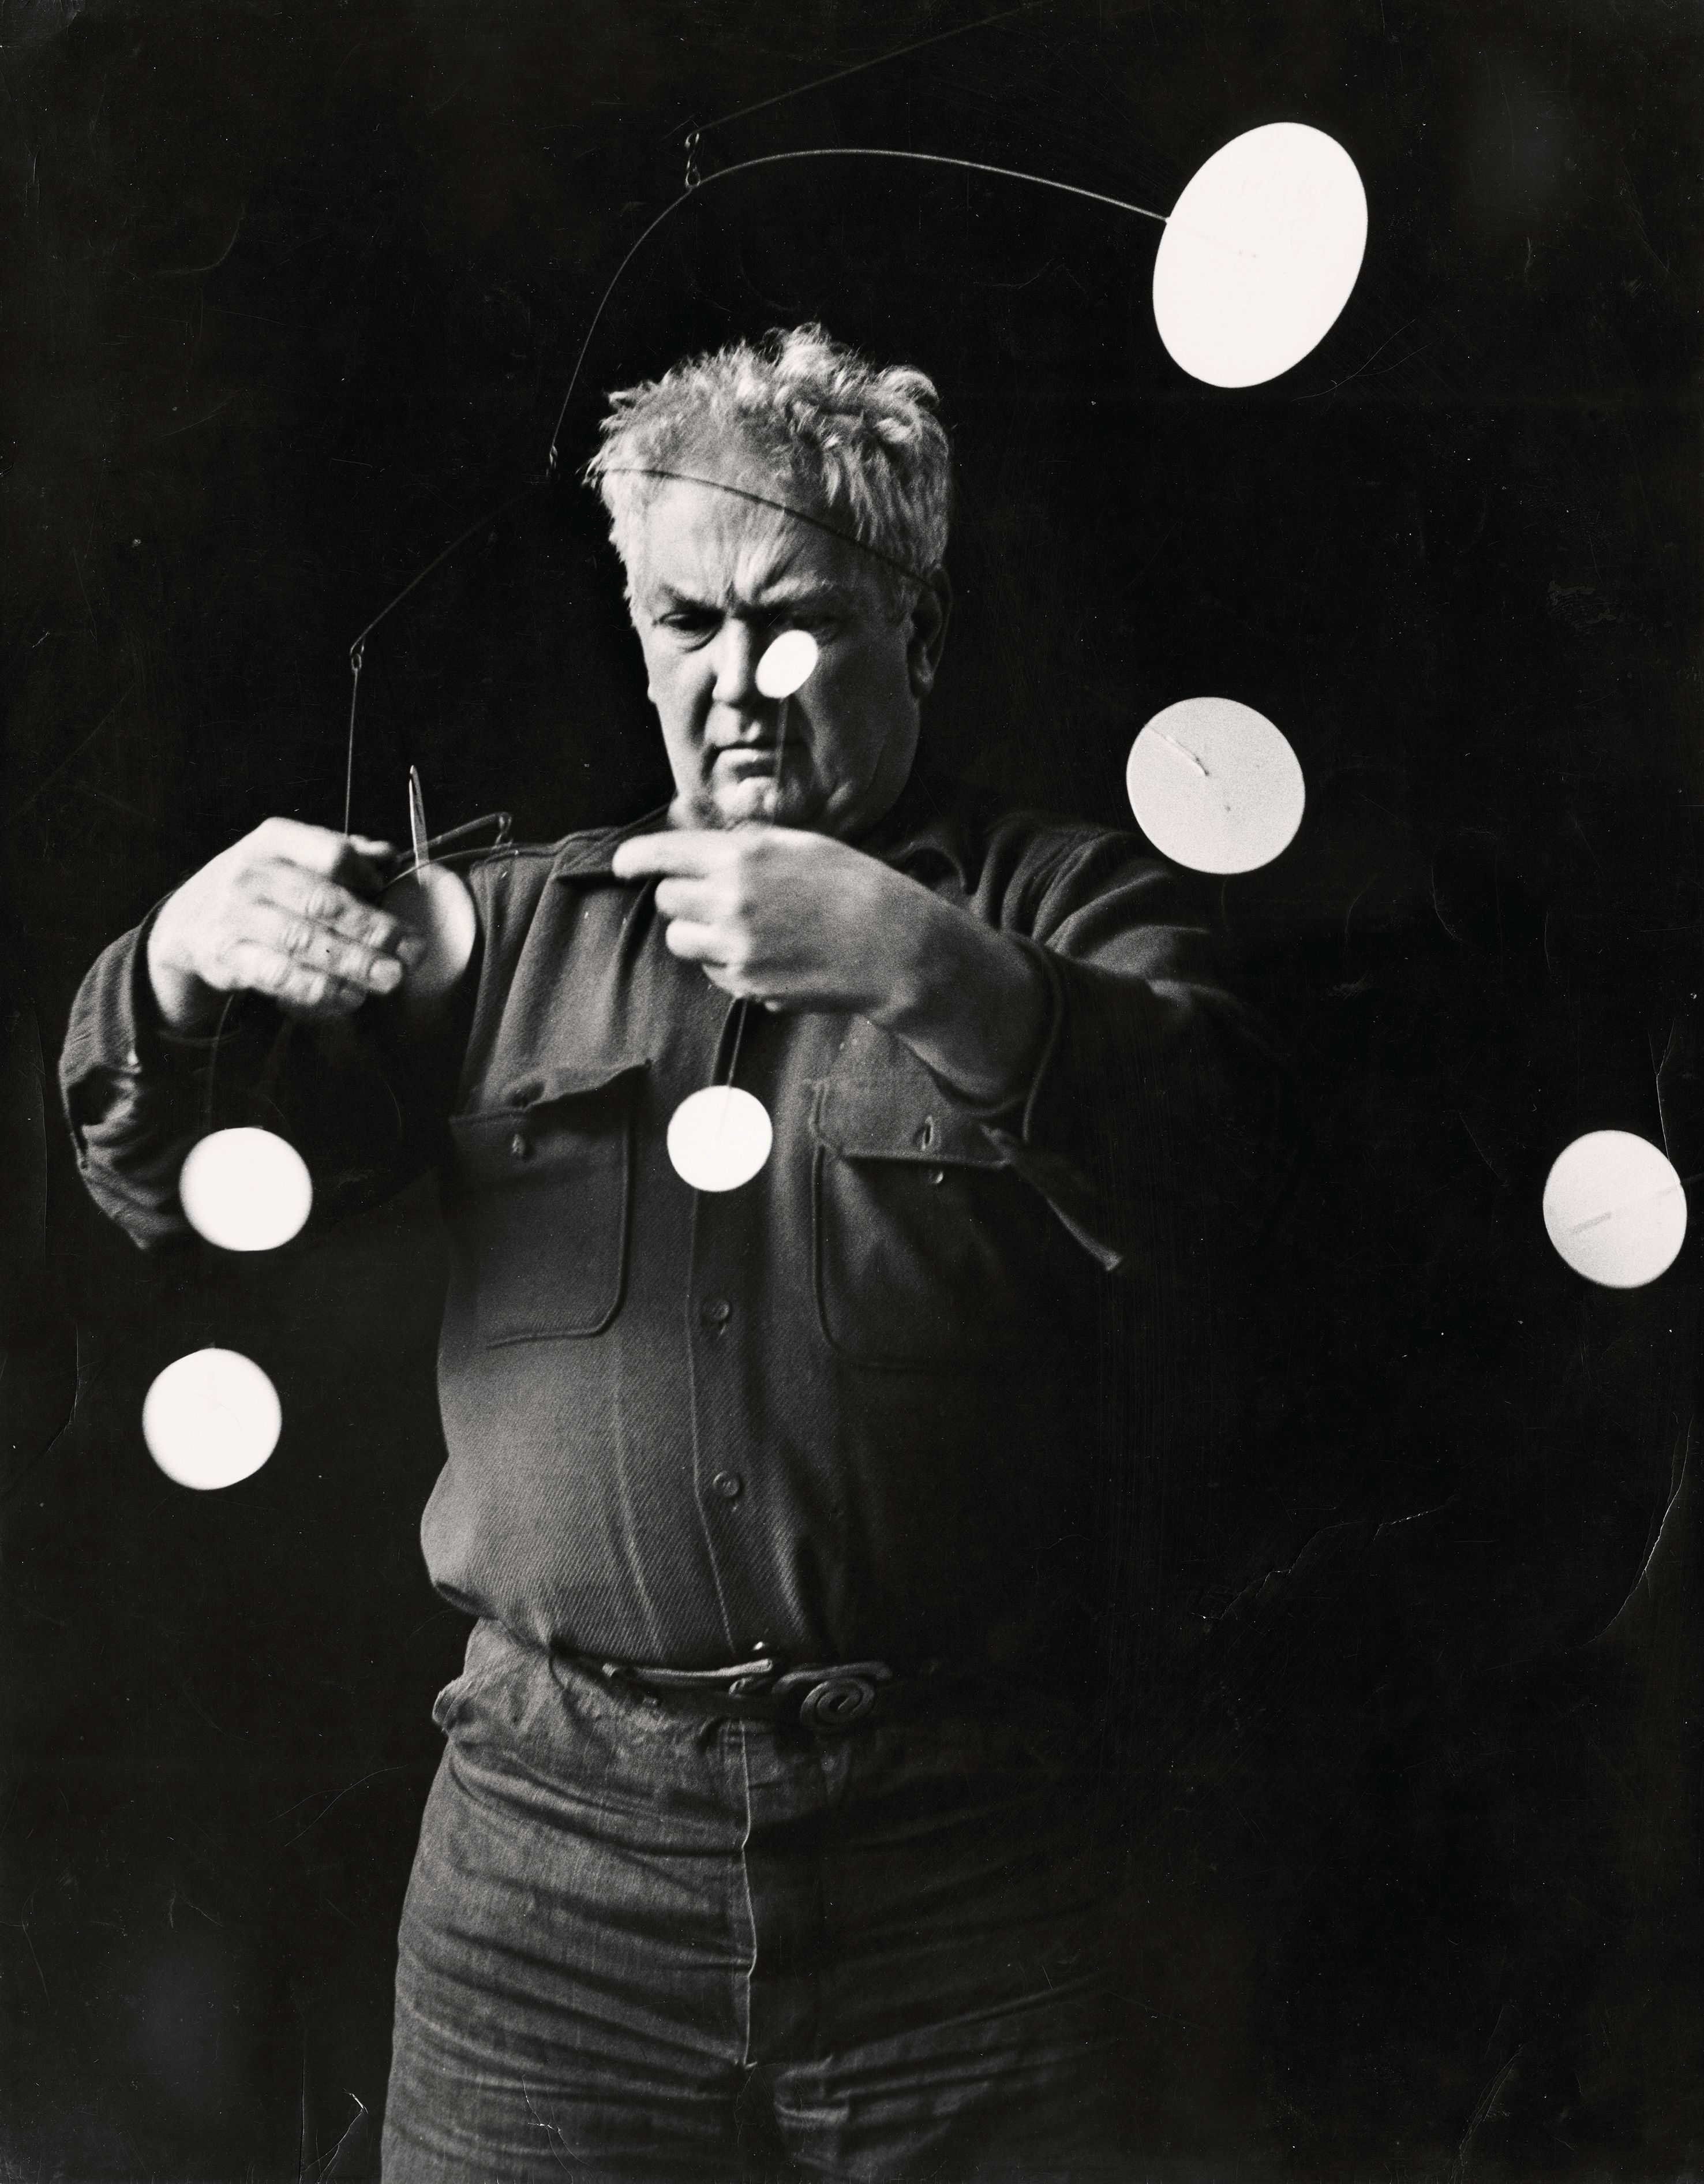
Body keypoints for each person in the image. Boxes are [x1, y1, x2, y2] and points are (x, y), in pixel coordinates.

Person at [59, 324, 1280, 2180]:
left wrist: (922, 965)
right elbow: (172, 1183)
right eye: (681, 624)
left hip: (971, 1867)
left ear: (919, 635)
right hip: (549, 1876)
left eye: (797, 621)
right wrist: (169, 964)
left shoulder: (1062, 905)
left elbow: (1240, 1187)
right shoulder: (509, 931)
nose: (738, 686)